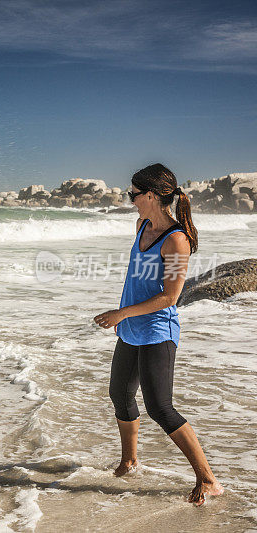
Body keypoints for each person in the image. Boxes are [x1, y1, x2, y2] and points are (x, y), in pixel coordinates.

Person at [93, 163, 223, 506]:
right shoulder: (142, 226)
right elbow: (137, 278)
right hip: (132, 327)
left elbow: (170, 297)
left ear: (151, 195)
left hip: (157, 331)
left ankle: (208, 479)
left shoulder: (177, 241)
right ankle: (129, 461)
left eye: (133, 194)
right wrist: (125, 315)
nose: (130, 199)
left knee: (160, 408)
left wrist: (120, 312)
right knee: (120, 394)